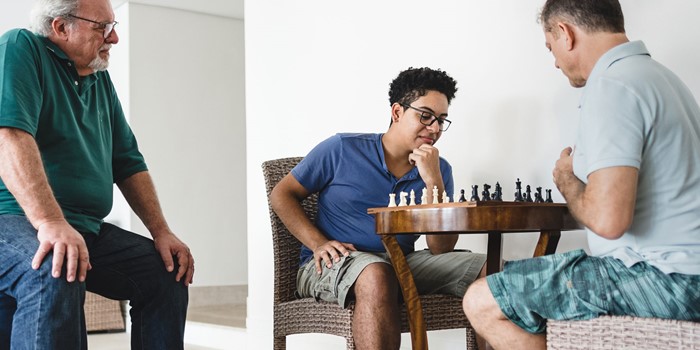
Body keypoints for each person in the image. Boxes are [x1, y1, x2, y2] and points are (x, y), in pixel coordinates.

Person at [462, 1, 700, 349]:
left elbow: (609, 220)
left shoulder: (613, 86)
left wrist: (567, 181)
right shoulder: (662, 79)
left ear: (564, 32)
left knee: (483, 301)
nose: (555, 61)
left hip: (665, 279)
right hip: (684, 271)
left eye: (550, 47)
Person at [0, 0, 194, 348]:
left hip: (84, 227)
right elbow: (10, 136)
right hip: (11, 219)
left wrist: (161, 231)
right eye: (101, 27)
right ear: (61, 27)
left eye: (113, 25)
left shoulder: (98, 79)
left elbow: (128, 162)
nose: (114, 37)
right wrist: (50, 222)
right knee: (56, 269)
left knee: (167, 272)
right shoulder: (21, 47)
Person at [270, 67, 487, 349]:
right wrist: (318, 243)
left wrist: (433, 180)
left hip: (401, 261)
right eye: (425, 116)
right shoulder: (341, 149)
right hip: (333, 263)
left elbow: (440, 247)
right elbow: (281, 194)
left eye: (441, 120)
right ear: (397, 112)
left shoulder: (438, 169)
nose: (434, 128)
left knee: (491, 269)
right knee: (376, 274)